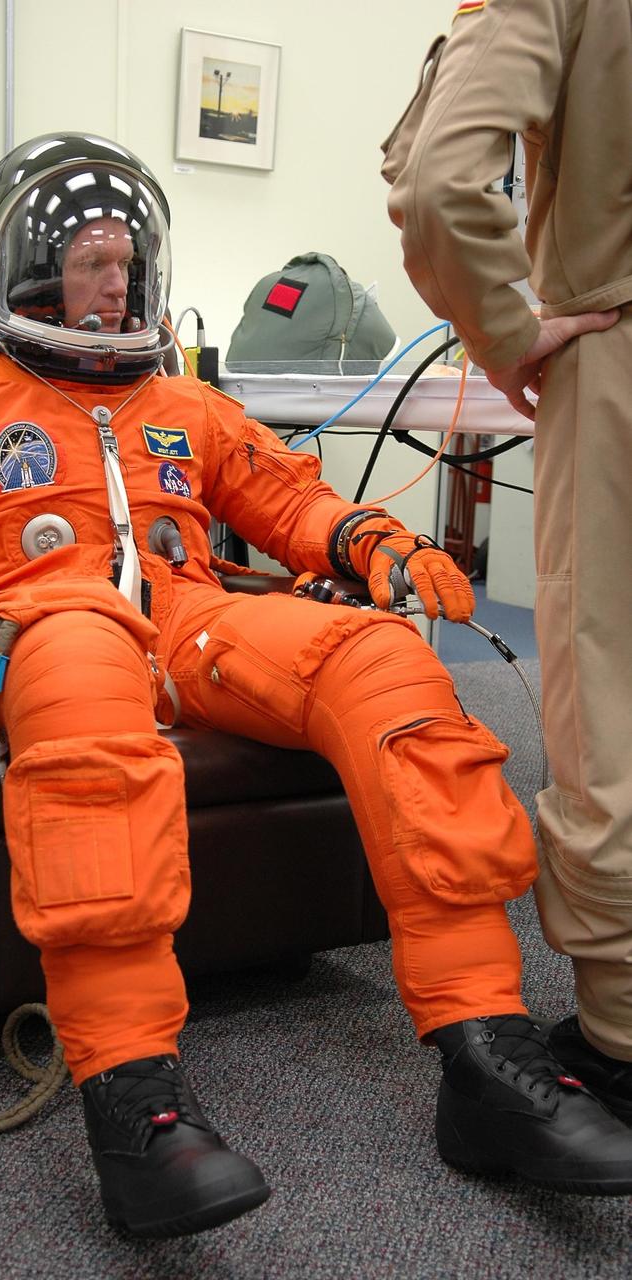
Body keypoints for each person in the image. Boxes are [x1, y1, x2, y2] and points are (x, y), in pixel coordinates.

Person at [0, 133, 632, 1239]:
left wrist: (369, 539)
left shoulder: (185, 405)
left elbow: (289, 504)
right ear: (21, 267)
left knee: (386, 663)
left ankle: (488, 1055)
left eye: (128, 263)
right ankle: (136, 1096)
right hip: (41, 623)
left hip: (191, 620)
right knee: (87, 660)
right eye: (93, 260)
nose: (116, 282)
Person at [383, 0, 632, 1127]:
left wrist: (506, 327)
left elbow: (436, 182)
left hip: (610, 346)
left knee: (608, 700)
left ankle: (622, 1029)